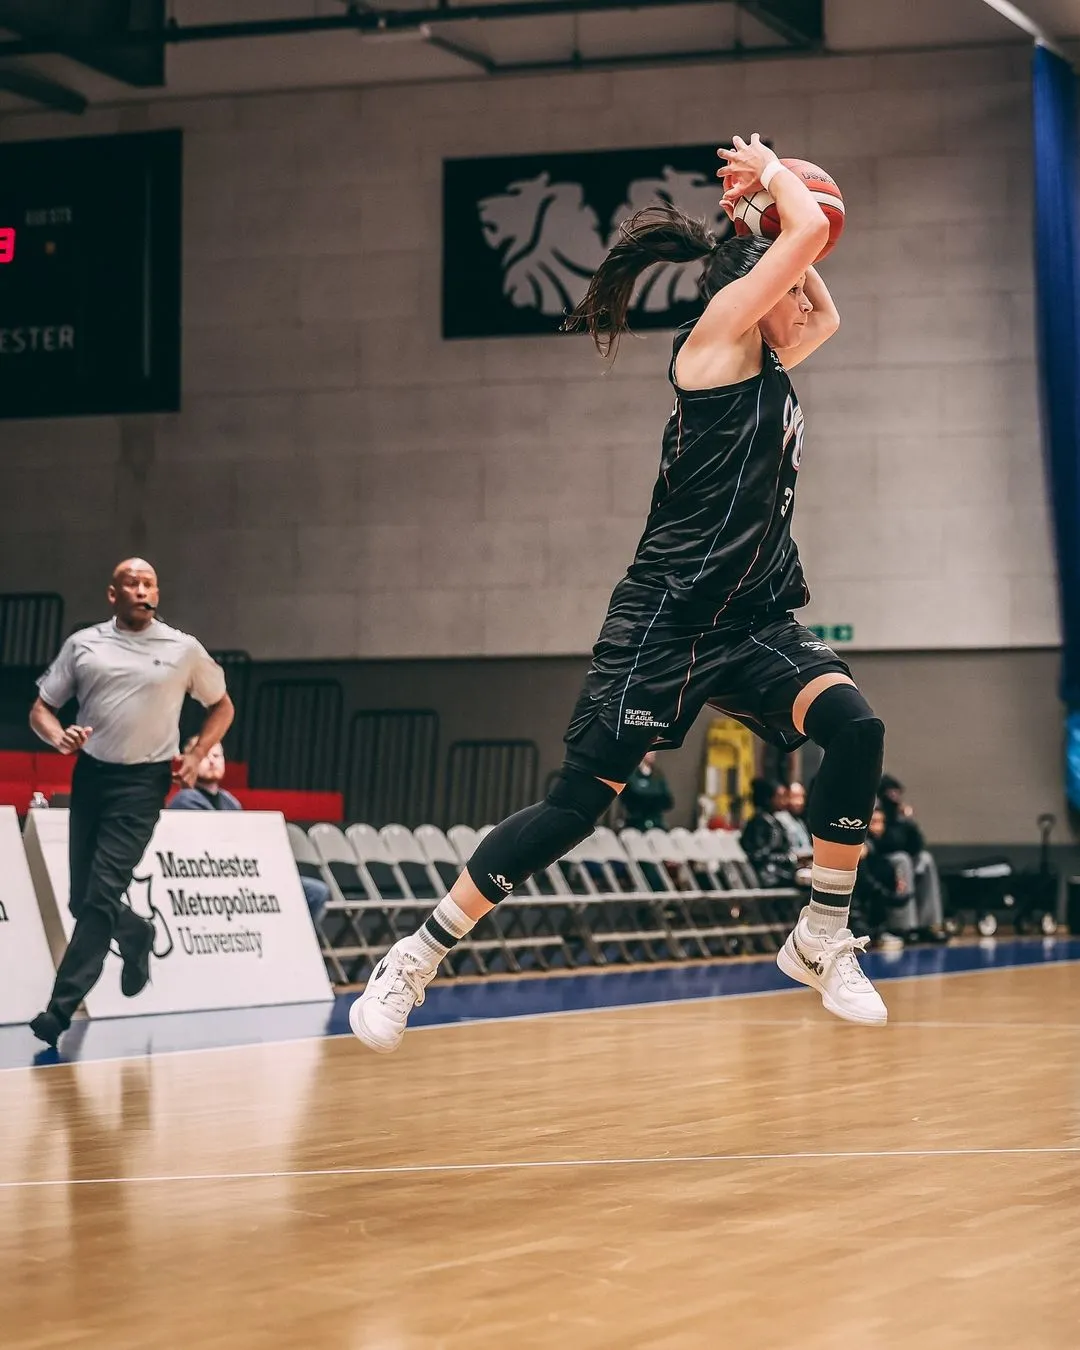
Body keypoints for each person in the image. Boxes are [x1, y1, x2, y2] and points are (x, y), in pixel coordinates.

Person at [351, 132, 889, 1053]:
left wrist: (775, 228)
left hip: (752, 617)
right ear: (752, 291)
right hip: (666, 621)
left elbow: (823, 310)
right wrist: (770, 181)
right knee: (574, 806)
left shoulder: (770, 360)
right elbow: (798, 244)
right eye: (791, 288)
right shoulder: (714, 342)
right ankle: (416, 956)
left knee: (857, 727)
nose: (806, 305)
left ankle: (821, 936)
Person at [28, 559, 233, 1047]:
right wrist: (59, 737)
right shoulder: (85, 645)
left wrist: (197, 753)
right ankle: (137, 934)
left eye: (149, 584)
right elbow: (41, 709)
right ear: (113, 594)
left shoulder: (183, 649)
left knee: (100, 895)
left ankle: (58, 1011)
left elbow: (222, 706)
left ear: (156, 593)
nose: (142, 591)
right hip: (91, 776)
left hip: (144, 782)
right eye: (132, 584)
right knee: (82, 898)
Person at [169, 739, 330, 927]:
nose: (212, 761)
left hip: (241, 875)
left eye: (217, 755)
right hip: (210, 881)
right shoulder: (186, 800)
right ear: (190, 760)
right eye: (205, 756)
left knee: (315, 892)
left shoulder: (230, 801)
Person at [879, 773, 947, 940]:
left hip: (905, 859)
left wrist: (909, 822)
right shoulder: (877, 813)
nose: (895, 796)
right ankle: (905, 925)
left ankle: (928, 923)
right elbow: (885, 843)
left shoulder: (902, 819)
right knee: (902, 859)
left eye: (897, 792)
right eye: (891, 792)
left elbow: (917, 845)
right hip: (883, 859)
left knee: (925, 859)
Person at [851, 805, 907, 949]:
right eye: (874, 822)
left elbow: (906, 842)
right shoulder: (860, 839)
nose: (878, 827)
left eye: (881, 822)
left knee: (890, 866)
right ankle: (865, 927)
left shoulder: (885, 840)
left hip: (876, 882)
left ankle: (880, 928)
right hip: (860, 882)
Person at [740, 778, 798, 888]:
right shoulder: (760, 823)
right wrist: (790, 858)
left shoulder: (772, 820)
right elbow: (758, 854)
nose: (784, 801)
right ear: (768, 799)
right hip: (769, 876)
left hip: (777, 871)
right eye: (780, 797)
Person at [619, 750, 674, 832]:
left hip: (656, 823)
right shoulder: (632, 775)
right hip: (635, 823)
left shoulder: (658, 775)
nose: (653, 754)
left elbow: (667, 801)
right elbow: (629, 798)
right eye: (651, 752)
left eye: (654, 752)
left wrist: (651, 800)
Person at [776, 777, 813, 859]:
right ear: (786, 797)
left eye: (802, 796)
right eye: (795, 797)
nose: (800, 801)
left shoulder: (800, 821)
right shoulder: (779, 820)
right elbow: (783, 851)